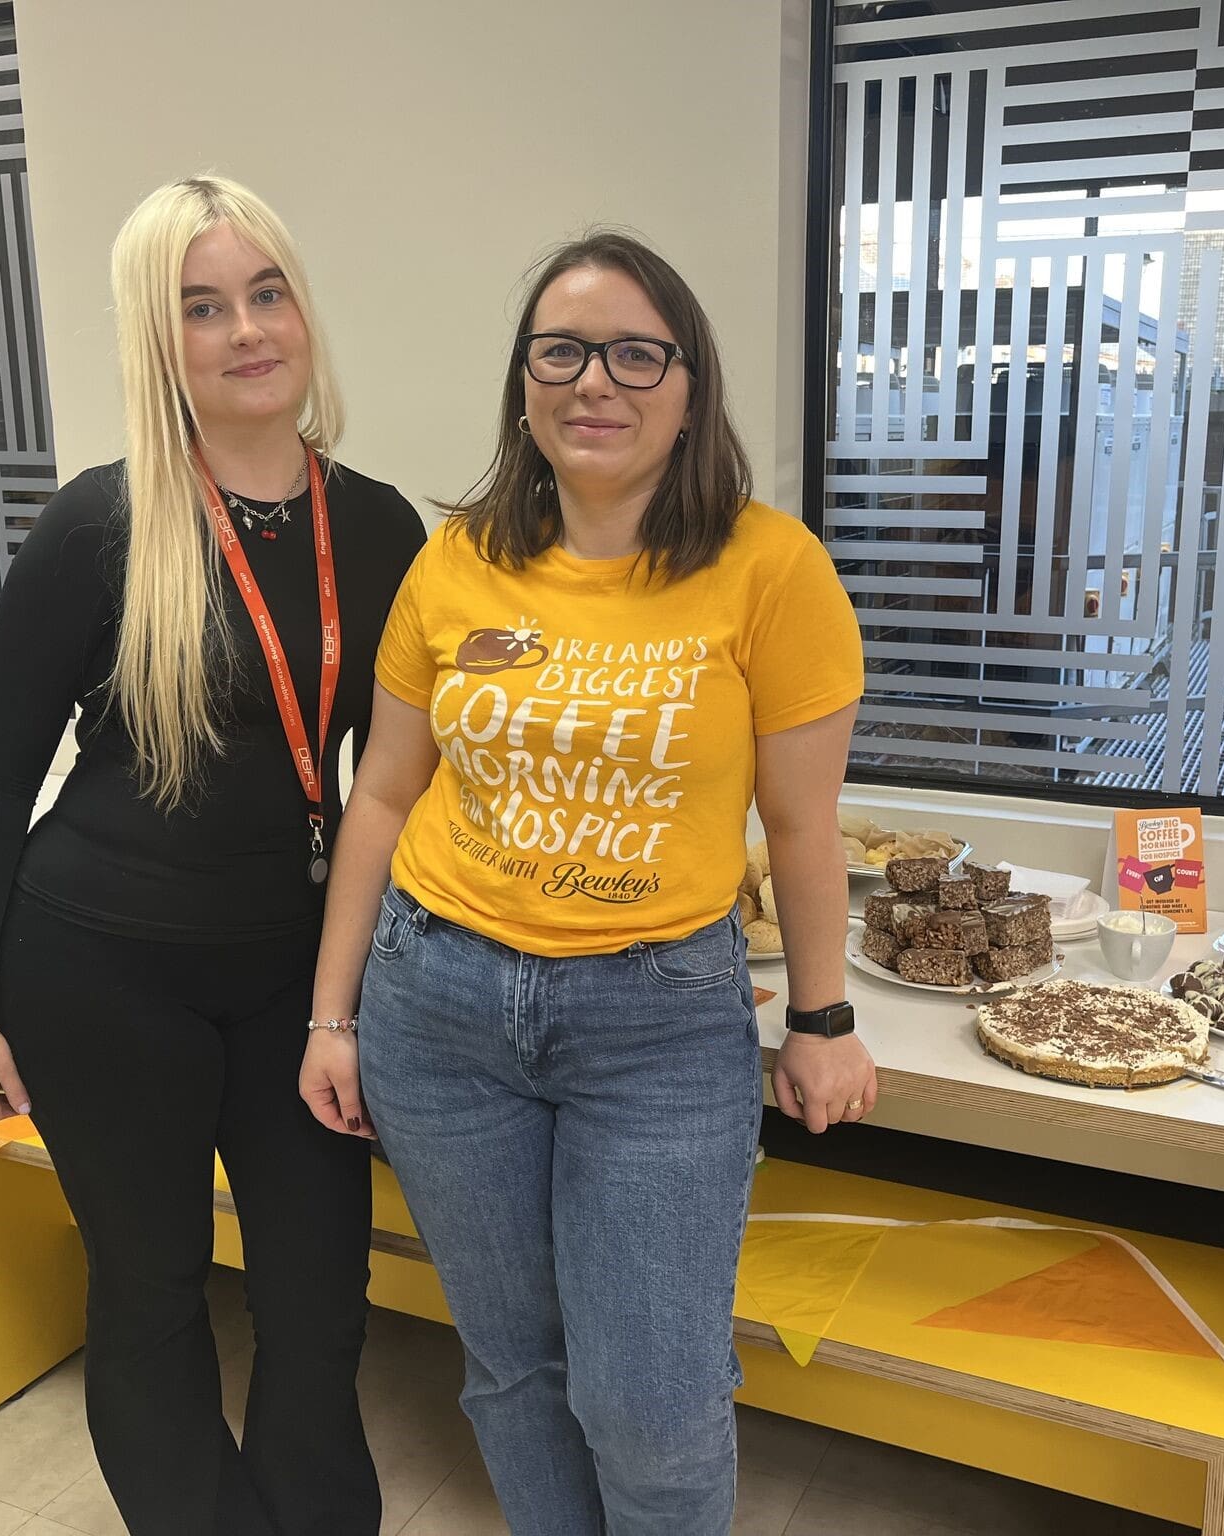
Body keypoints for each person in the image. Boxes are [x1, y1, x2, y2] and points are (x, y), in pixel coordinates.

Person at [299, 229, 874, 1534]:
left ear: (690, 388)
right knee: (512, 1371)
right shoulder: (458, 560)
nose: (594, 381)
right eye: (560, 352)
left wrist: (823, 1018)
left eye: (634, 355)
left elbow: (802, 826)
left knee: (651, 1401)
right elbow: (381, 795)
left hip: (655, 1026)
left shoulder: (771, 568)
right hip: (436, 1005)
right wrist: (335, 1017)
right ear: (524, 384)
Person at [0, 175, 423, 1536]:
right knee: (150, 1295)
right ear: (160, 340)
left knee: (319, 1299)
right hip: (98, 971)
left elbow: (398, 788)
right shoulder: (98, 525)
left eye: (266, 295)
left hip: (297, 979)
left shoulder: (381, 528)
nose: (246, 330)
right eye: (202, 308)